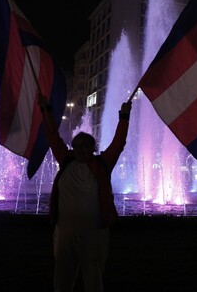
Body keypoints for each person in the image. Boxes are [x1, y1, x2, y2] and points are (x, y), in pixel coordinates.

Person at [38, 94, 132, 292]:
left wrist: (124, 117)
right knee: (62, 278)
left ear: (93, 148)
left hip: (94, 234)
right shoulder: (65, 161)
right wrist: (45, 110)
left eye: (85, 146)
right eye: (76, 146)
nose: (80, 149)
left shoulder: (103, 163)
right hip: (64, 233)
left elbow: (118, 143)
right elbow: (52, 136)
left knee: (93, 278)